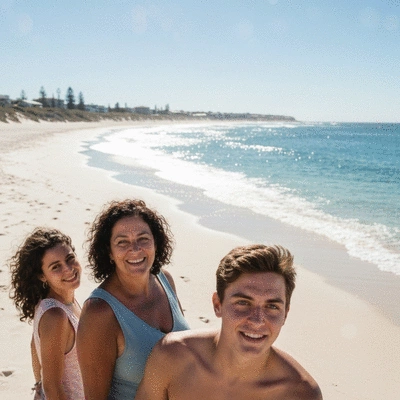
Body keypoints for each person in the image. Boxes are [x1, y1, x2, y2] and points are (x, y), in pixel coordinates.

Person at [135, 244, 323, 400]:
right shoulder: (172, 355)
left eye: (272, 307)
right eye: (243, 303)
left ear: (285, 314)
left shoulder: (300, 393)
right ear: (218, 305)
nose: (257, 320)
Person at [77, 199, 190, 400]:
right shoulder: (100, 312)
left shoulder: (166, 280)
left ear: (156, 242)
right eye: (122, 242)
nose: (135, 248)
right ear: (109, 252)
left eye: (143, 238)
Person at [9, 227, 84, 400]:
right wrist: (44, 389)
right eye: (56, 266)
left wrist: (38, 386)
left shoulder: (61, 302)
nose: (68, 269)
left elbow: (34, 346)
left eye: (70, 258)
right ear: (42, 276)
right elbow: (53, 389)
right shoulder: (55, 315)